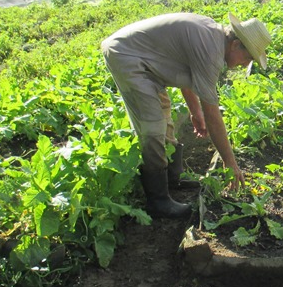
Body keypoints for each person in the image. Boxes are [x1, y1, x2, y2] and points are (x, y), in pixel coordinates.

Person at [101, 12, 272, 219]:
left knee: (165, 117)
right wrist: (230, 162)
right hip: (126, 56)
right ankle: (158, 201)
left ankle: (173, 178)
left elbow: (186, 71)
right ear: (236, 45)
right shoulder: (211, 51)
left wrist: (194, 111)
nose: (246, 65)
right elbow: (213, 114)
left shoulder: (214, 38)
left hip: (147, 61)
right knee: (153, 126)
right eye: (248, 58)